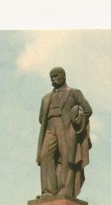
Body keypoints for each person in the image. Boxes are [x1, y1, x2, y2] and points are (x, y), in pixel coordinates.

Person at [36, 67, 93, 198]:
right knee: (45, 156)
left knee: (67, 158)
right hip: (50, 128)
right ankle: (48, 191)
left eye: (56, 76)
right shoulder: (46, 98)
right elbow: (41, 118)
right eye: (51, 77)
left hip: (67, 128)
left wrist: (75, 119)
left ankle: (65, 190)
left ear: (64, 76)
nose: (53, 79)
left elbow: (87, 110)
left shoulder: (74, 93)